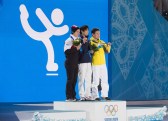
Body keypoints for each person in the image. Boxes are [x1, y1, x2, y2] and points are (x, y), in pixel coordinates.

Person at [90, 28, 111, 101]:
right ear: (93, 34)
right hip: (95, 63)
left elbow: (107, 51)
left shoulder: (102, 42)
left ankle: (104, 95)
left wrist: (108, 45)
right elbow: (91, 52)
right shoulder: (91, 42)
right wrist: (96, 47)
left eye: (99, 33)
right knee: (95, 81)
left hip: (103, 64)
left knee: (105, 80)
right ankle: (95, 96)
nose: (98, 35)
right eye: (97, 33)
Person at [64, 25, 81, 101]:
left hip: (75, 63)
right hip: (70, 62)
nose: (78, 33)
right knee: (70, 79)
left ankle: (73, 96)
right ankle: (68, 96)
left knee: (74, 80)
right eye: (77, 31)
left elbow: (78, 53)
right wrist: (75, 48)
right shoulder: (69, 40)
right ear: (73, 32)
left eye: (79, 32)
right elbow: (66, 52)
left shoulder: (78, 40)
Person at [78, 25, 92, 101]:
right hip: (81, 61)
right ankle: (82, 95)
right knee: (81, 79)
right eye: (86, 30)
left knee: (88, 79)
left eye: (88, 30)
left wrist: (91, 51)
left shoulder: (88, 40)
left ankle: (88, 95)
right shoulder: (79, 40)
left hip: (88, 61)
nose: (87, 32)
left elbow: (89, 50)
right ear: (82, 31)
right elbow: (79, 50)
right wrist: (82, 42)